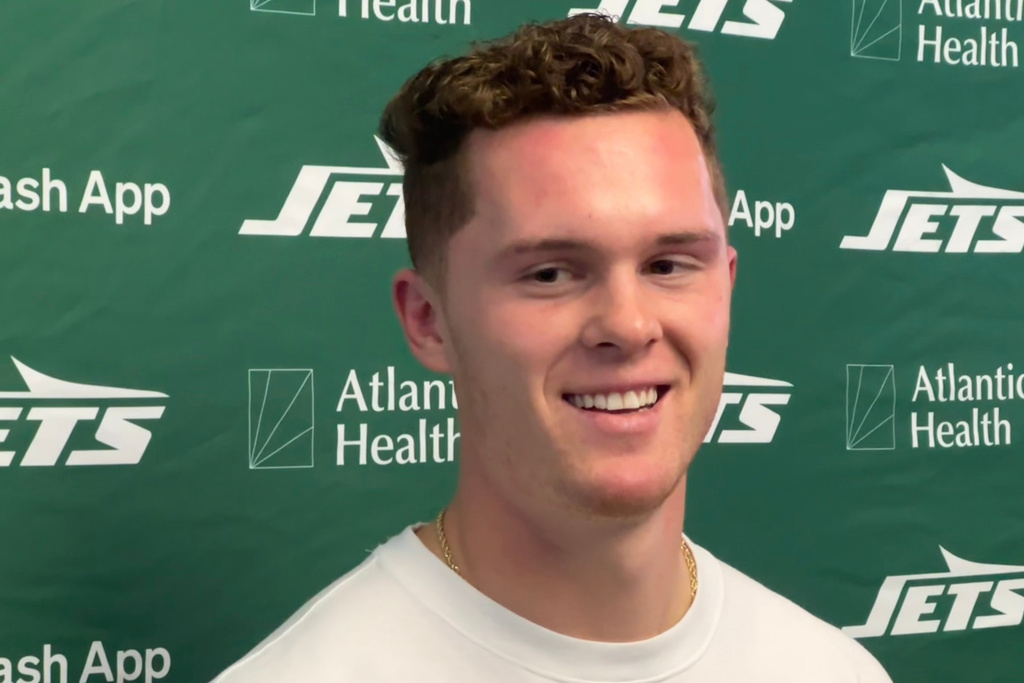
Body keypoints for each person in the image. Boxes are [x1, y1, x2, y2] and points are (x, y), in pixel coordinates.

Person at [212, 13, 893, 682]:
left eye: (668, 265)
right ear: (428, 320)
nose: (628, 325)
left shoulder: (832, 670)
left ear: (727, 286)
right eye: (550, 274)